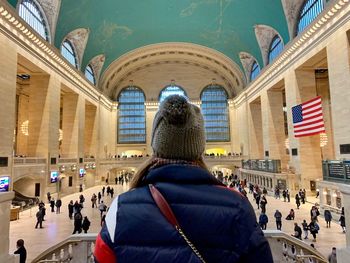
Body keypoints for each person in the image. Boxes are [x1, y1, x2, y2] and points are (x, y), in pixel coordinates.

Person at [94, 95, 273, 262]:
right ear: (199, 149)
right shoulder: (237, 206)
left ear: (156, 147)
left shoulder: (121, 208)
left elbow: (101, 256)